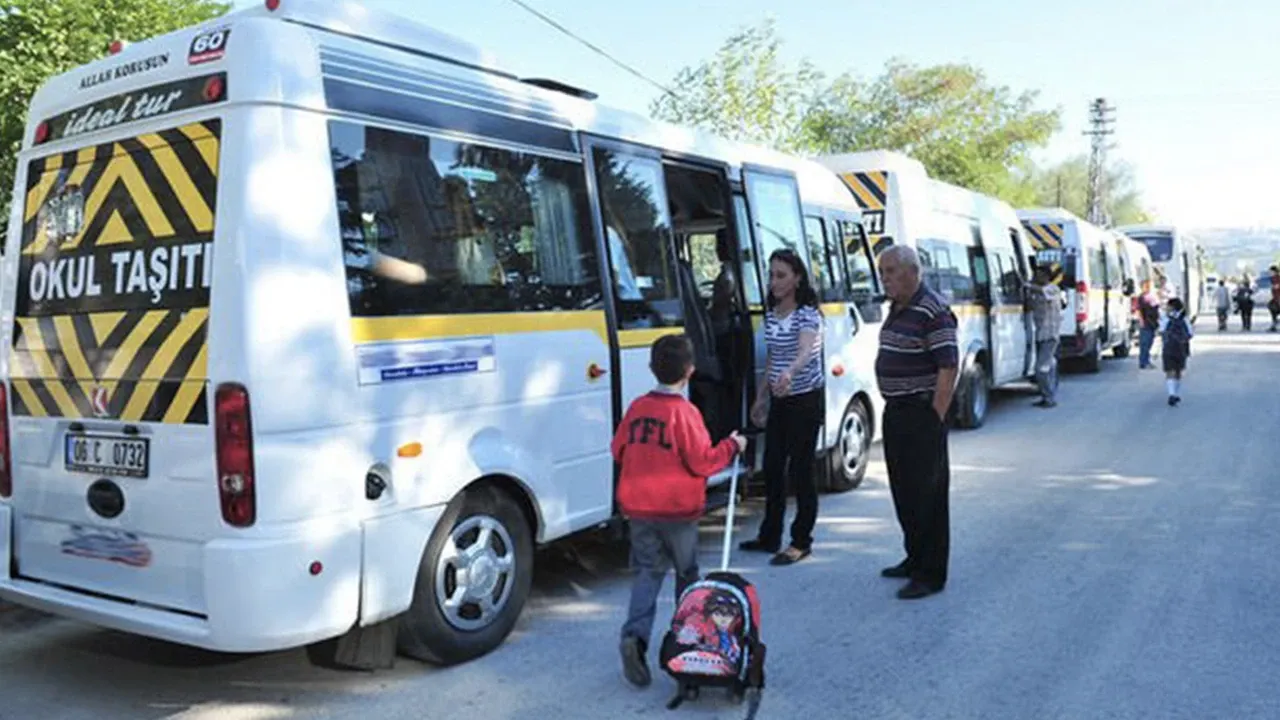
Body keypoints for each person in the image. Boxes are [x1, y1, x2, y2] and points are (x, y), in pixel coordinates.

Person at [613, 334, 747, 688]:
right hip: (677, 512)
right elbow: (703, 462)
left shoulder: (638, 407)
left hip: (639, 508)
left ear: (651, 367)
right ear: (690, 371)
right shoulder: (686, 414)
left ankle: (635, 637)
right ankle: (686, 646)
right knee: (687, 577)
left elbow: (618, 450)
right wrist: (733, 445)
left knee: (646, 573)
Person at [873, 245, 958, 600]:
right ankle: (914, 557)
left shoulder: (933, 310)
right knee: (904, 492)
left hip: (921, 413)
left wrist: (934, 419)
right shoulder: (899, 307)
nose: (886, 278)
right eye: (883, 272)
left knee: (927, 496)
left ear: (912, 271)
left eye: (891, 271)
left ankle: (930, 573)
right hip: (897, 411)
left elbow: (948, 367)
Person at [739, 248, 824, 567]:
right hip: (779, 398)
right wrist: (761, 396)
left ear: (797, 278)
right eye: (772, 274)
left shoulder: (807, 314)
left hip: (804, 399)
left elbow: (806, 351)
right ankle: (769, 535)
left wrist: (791, 372)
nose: (774, 281)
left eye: (781, 275)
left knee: (801, 469)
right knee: (773, 467)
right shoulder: (772, 314)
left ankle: (801, 541)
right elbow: (774, 356)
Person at [1026, 264, 1066, 408]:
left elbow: (1043, 291)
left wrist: (1027, 285)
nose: (1037, 277)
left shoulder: (1053, 289)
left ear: (1046, 276)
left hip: (1050, 335)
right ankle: (1047, 395)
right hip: (1040, 335)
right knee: (1048, 366)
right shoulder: (1037, 292)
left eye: (1039, 275)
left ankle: (1049, 398)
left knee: (1040, 369)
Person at [1159, 298, 1194, 407]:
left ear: (1172, 307)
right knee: (1178, 371)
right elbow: (1190, 333)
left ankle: (1171, 394)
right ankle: (1176, 393)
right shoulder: (1184, 318)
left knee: (1170, 371)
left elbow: (1161, 330)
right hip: (1181, 348)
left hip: (1168, 347)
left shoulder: (1166, 318)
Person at [1136, 279, 1162, 369]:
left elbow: (1157, 308)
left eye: (1148, 286)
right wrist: (1141, 321)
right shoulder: (1141, 297)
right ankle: (1143, 362)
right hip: (1146, 322)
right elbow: (1139, 310)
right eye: (1145, 286)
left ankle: (1146, 360)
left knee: (1150, 343)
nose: (1147, 287)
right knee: (1145, 344)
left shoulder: (1152, 296)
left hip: (1153, 323)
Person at [1268, 266, 1280, 332]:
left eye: (1271, 271)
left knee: (1273, 308)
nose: (1270, 273)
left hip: (1278, 297)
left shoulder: (1277, 277)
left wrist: (1275, 286)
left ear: (1274, 271)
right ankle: (1274, 323)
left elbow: (1277, 286)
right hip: (1275, 297)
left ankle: (1275, 322)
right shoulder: (1272, 278)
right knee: (1270, 306)